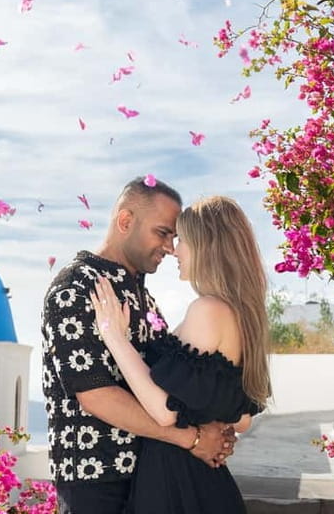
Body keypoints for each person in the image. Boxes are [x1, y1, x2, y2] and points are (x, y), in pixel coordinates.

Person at [41, 178, 237, 514]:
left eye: (175, 237)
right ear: (125, 221)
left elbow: (168, 384)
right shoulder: (76, 288)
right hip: (98, 480)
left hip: (152, 476)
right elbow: (96, 394)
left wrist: (214, 427)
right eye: (162, 233)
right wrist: (191, 439)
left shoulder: (141, 294)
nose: (171, 247)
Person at [90, 195, 271, 513]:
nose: (174, 249)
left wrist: (114, 337)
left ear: (207, 247)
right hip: (206, 483)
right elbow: (240, 420)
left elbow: (164, 412)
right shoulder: (243, 316)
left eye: (183, 239)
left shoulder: (208, 310)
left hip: (176, 485)